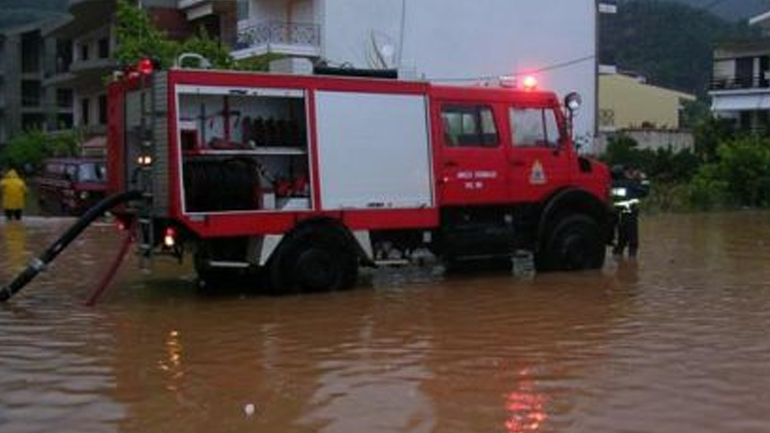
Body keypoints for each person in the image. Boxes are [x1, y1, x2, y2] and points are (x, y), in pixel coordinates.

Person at [611, 165, 649, 258]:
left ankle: (618, 255)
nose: (628, 173)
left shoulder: (613, 184)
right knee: (633, 238)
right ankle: (632, 260)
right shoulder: (630, 184)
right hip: (630, 213)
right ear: (622, 174)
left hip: (619, 214)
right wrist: (644, 179)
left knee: (621, 237)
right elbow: (644, 192)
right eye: (626, 171)